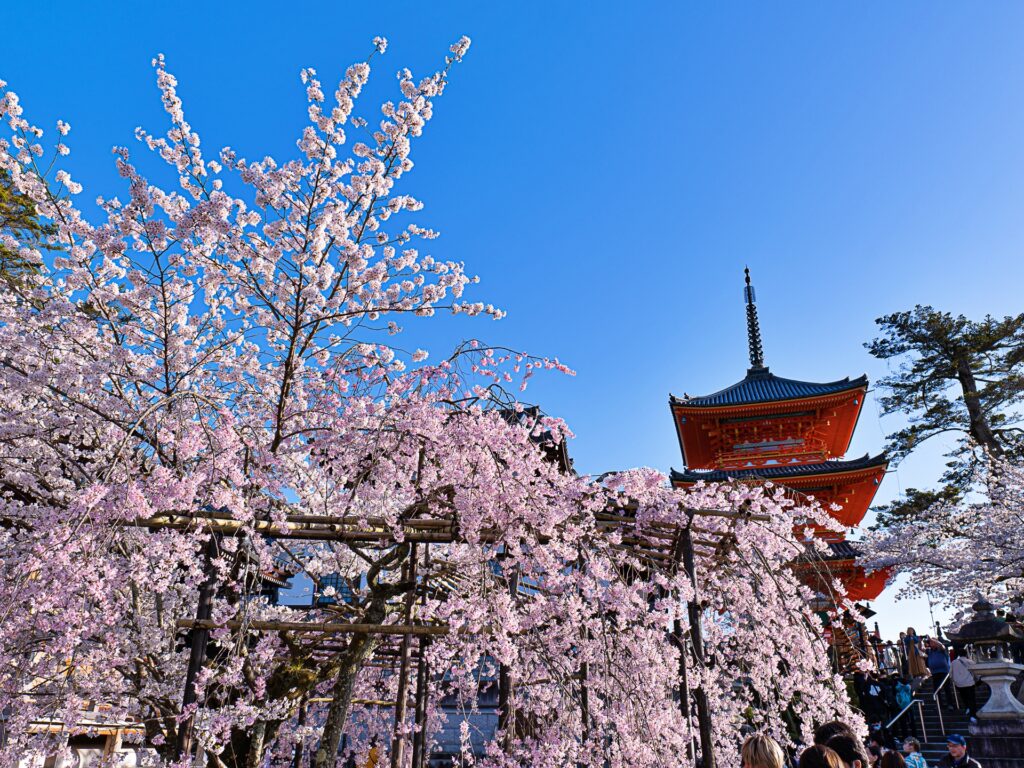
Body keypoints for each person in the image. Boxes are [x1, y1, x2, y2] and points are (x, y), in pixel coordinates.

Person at [926, 638, 953, 710]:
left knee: (947, 689)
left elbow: (941, 646)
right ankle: (939, 704)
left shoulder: (941, 650)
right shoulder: (929, 651)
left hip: (944, 671)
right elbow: (920, 649)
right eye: (930, 642)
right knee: (936, 690)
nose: (931, 643)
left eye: (932, 642)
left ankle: (950, 704)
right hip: (934, 672)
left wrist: (933, 640)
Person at [950, 653, 977, 721]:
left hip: (959, 684)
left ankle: (967, 708)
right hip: (969, 683)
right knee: (971, 699)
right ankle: (972, 714)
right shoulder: (970, 661)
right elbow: (976, 671)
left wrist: (954, 680)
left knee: (964, 697)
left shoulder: (953, 662)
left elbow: (950, 673)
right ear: (966, 654)